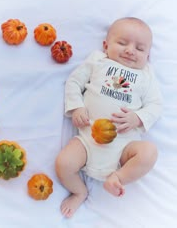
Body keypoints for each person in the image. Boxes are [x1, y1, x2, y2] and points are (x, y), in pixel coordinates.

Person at [55, 17, 162, 218]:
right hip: (88, 140)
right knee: (63, 163)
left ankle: (117, 177)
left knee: (149, 152)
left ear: (148, 55)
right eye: (122, 43)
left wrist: (137, 118)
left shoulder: (146, 76)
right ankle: (79, 191)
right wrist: (77, 107)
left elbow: (156, 105)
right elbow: (74, 82)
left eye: (140, 48)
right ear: (106, 46)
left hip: (124, 148)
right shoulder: (98, 61)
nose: (130, 50)